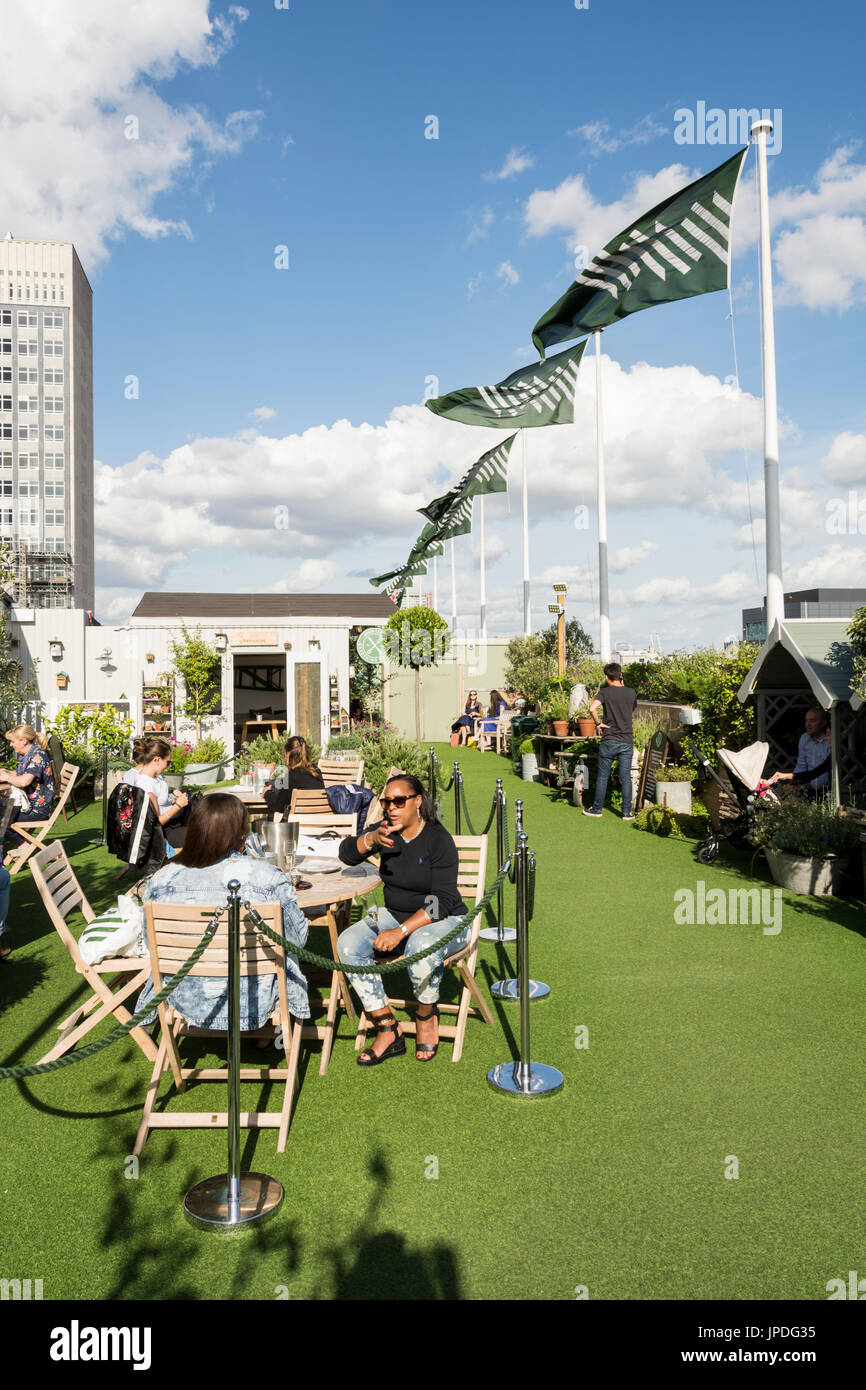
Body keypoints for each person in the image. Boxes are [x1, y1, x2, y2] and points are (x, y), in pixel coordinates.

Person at [137, 793, 310, 1041]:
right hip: (255, 998)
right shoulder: (268, 877)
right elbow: (298, 940)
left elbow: (152, 943)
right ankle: (267, 1034)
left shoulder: (161, 880)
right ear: (242, 835)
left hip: (186, 998)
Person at [337, 774, 469, 1065]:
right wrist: (369, 839)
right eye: (386, 801)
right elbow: (346, 855)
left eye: (399, 800)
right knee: (347, 943)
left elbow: (443, 900)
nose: (391, 807)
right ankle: (387, 1026)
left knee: (420, 946)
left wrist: (400, 931)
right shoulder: (386, 832)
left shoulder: (438, 839)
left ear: (417, 801)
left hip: (445, 920)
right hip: (392, 914)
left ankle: (426, 1016)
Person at [583, 663, 638, 821]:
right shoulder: (631, 692)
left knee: (603, 776)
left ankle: (597, 808)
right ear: (620, 675)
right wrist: (623, 684)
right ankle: (626, 812)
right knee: (625, 777)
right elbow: (630, 709)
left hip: (610, 739)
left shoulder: (605, 692)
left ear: (607, 677)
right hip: (627, 740)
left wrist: (598, 723)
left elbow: (592, 708)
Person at [124, 736, 190, 849]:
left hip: (174, 822)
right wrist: (178, 805)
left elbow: (160, 790)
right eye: (168, 762)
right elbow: (154, 823)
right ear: (157, 760)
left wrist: (173, 792)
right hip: (164, 831)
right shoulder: (145, 786)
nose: (168, 766)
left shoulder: (155, 776)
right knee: (203, 834)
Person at [0, 723, 55, 856]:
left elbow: (25, 780)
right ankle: (24, 845)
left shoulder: (38, 756)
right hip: (30, 805)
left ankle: (24, 845)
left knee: (1, 819)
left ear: (23, 741)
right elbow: (23, 773)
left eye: (13, 742)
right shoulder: (30, 754)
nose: (11, 745)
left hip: (36, 810)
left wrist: (7, 777)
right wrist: (8, 772)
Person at [768, 707, 832, 797]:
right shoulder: (804, 738)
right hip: (808, 785)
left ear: (823, 723)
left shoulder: (831, 749)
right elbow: (808, 771)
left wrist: (800, 787)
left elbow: (821, 778)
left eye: (812, 721)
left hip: (826, 791)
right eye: (806, 721)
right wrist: (788, 780)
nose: (808, 724)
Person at [263, 735, 325, 817]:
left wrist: (267, 793)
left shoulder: (291, 776)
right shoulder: (317, 772)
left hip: (297, 825)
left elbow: (278, 806)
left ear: (288, 754)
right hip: (320, 823)